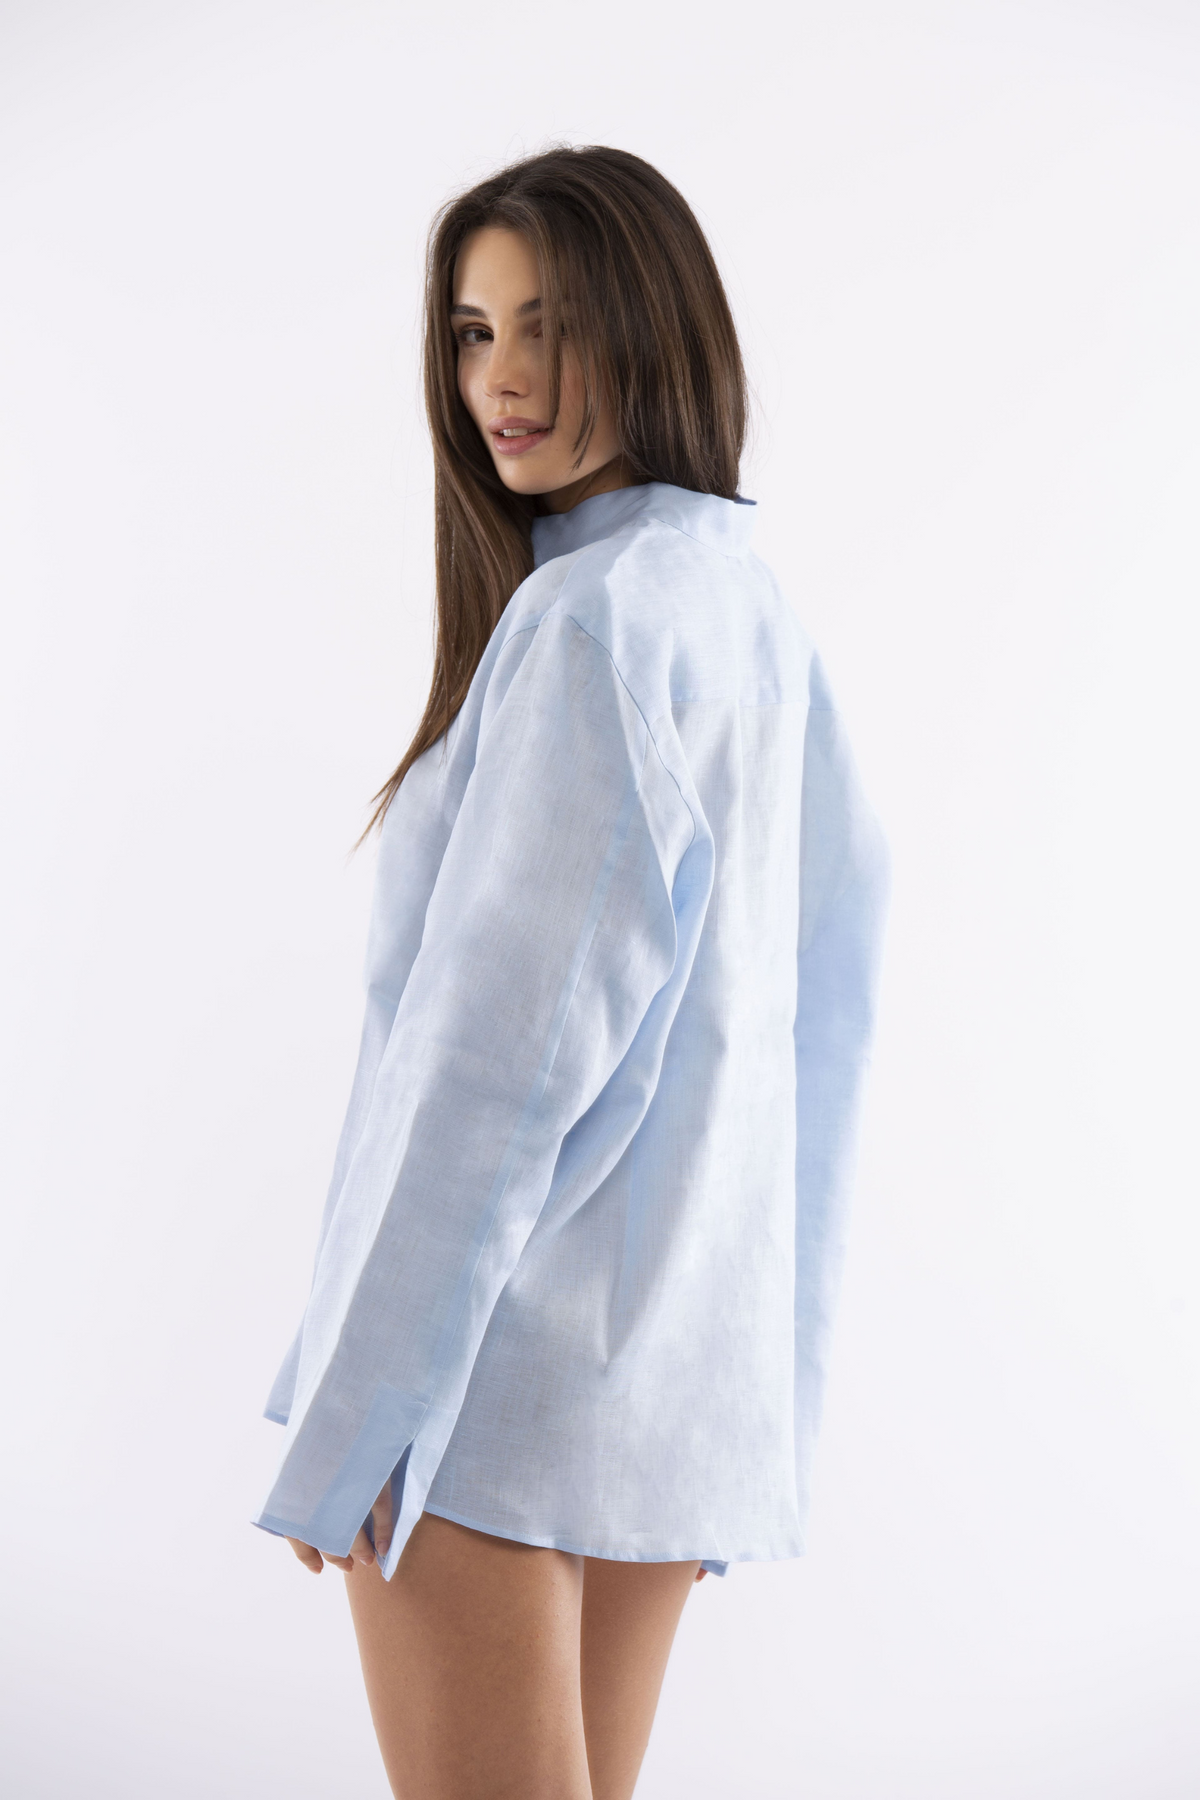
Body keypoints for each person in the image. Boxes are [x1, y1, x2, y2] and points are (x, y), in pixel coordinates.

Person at [253, 145, 890, 1800]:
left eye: (549, 324)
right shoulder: (751, 613)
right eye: (472, 333)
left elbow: (496, 1062)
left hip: (492, 1394)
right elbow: (819, 1028)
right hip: (672, 1402)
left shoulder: (592, 624)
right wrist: (762, 1398)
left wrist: (367, 1395)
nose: (503, 380)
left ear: (653, 326)